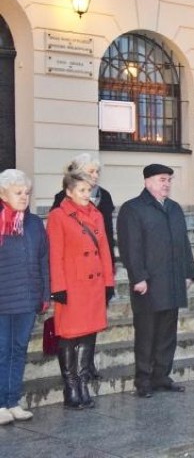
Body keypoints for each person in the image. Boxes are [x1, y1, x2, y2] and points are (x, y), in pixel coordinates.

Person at [117, 164, 194, 398]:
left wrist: (188, 272)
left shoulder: (174, 209)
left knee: (167, 333)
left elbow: (184, 242)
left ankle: (161, 376)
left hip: (172, 281)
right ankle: (143, 380)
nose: (167, 184)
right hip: (148, 284)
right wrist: (138, 277)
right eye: (162, 179)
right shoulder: (133, 209)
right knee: (146, 333)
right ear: (147, 181)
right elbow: (130, 246)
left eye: (169, 180)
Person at [47, 171, 115, 409]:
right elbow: (54, 254)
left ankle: (83, 383)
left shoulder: (96, 214)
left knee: (89, 334)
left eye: (89, 190)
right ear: (68, 192)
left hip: (93, 286)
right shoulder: (58, 216)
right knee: (68, 335)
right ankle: (71, 386)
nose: (87, 195)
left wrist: (108, 282)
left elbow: (105, 250)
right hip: (72, 286)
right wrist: (58, 288)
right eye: (82, 190)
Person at [0, 170, 49, 425]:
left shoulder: (33, 223)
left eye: (27, 193)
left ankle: (12, 401)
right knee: (2, 351)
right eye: (18, 193)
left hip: (27, 297)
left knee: (18, 350)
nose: (24, 197)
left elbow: (43, 259)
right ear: (2, 194)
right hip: (3, 297)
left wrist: (44, 293)